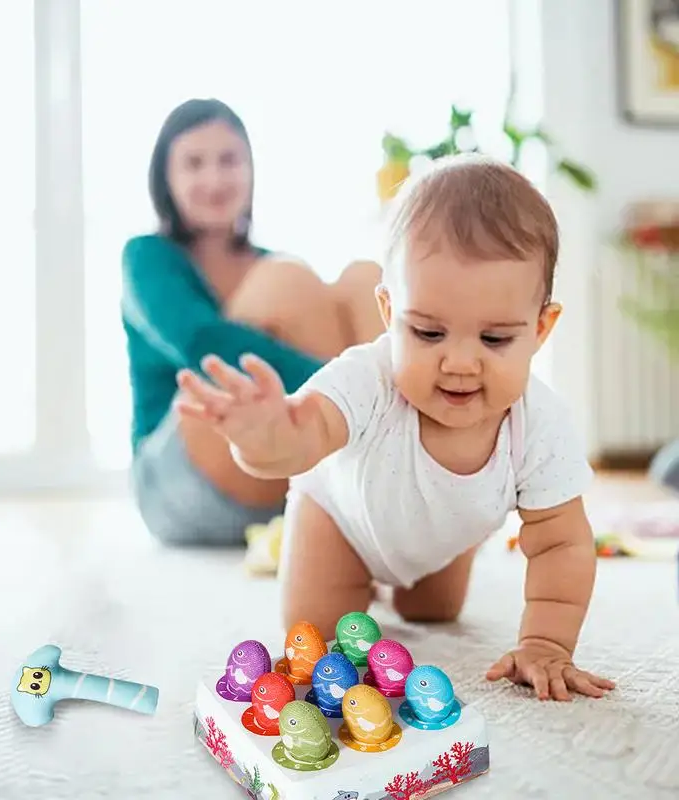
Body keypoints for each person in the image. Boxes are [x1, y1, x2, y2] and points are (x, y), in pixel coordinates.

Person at [176, 154, 617, 702]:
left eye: (495, 339)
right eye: (429, 333)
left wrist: (547, 643)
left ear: (540, 328)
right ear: (389, 312)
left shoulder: (541, 425)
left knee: (432, 613)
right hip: (341, 522)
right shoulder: (369, 378)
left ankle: (403, 587)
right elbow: (303, 435)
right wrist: (262, 433)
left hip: (442, 538)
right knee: (319, 647)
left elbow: (560, 544)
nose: (460, 362)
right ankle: (351, 582)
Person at [122, 98, 385, 547]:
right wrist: (350, 395)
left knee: (365, 279)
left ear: (250, 170)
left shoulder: (265, 264)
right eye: (194, 163)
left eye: (229, 160)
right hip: (175, 482)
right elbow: (202, 341)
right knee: (289, 278)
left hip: (276, 474)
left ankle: (388, 485)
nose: (215, 178)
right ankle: (382, 430)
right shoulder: (148, 256)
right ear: (166, 179)